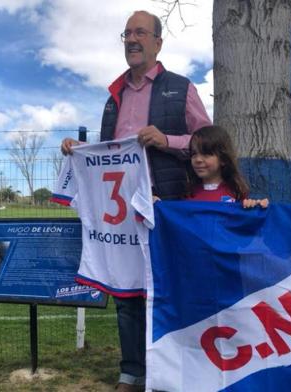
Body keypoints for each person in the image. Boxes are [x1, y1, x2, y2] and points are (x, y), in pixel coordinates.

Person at [61, 10, 211, 392]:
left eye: (140, 32)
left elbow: (210, 143)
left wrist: (169, 140)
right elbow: (107, 152)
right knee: (126, 292)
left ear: (158, 42)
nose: (131, 39)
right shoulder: (114, 96)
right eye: (126, 33)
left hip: (168, 206)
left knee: (166, 290)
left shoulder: (181, 88)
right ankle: (131, 372)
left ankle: (173, 372)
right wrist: (80, 151)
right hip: (122, 212)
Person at [187, 125, 268, 208]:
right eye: (194, 154)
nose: (198, 160)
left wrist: (254, 208)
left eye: (206, 153)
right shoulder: (188, 194)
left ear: (223, 159)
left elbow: (244, 219)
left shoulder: (236, 193)